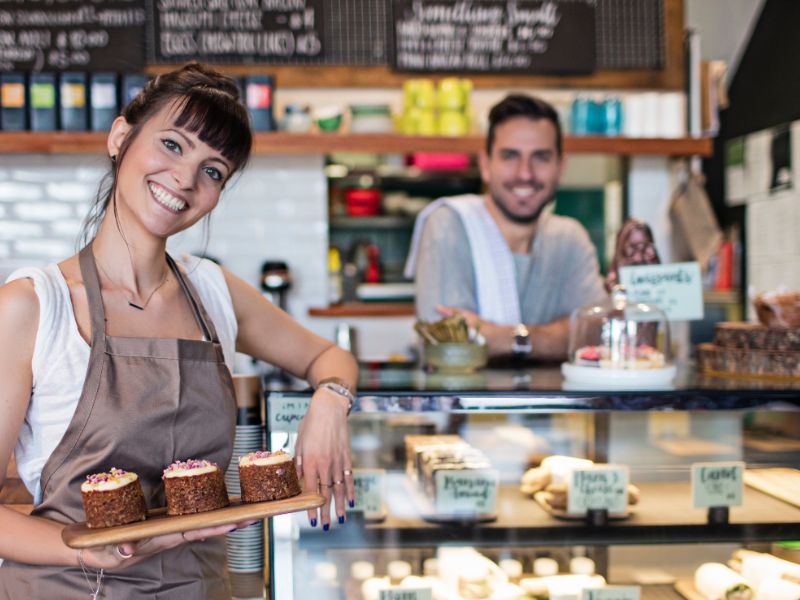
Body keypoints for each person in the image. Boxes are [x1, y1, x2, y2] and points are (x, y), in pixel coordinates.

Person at [0, 63, 357, 598]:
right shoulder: (33, 305)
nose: (186, 179)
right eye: (172, 144)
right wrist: (82, 547)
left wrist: (329, 403)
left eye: (213, 170)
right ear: (121, 137)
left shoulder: (213, 291)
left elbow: (329, 357)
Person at [406, 94, 607, 360]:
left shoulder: (569, 238)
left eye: (541, 157)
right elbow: (450, 349)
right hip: (466, 402)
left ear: (561, 166)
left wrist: (501, 337)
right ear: (486, 165)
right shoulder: (448, 225)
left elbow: (595, 336)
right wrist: (555, 336)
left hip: (561, 402)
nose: (525, 173)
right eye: (510, 156)